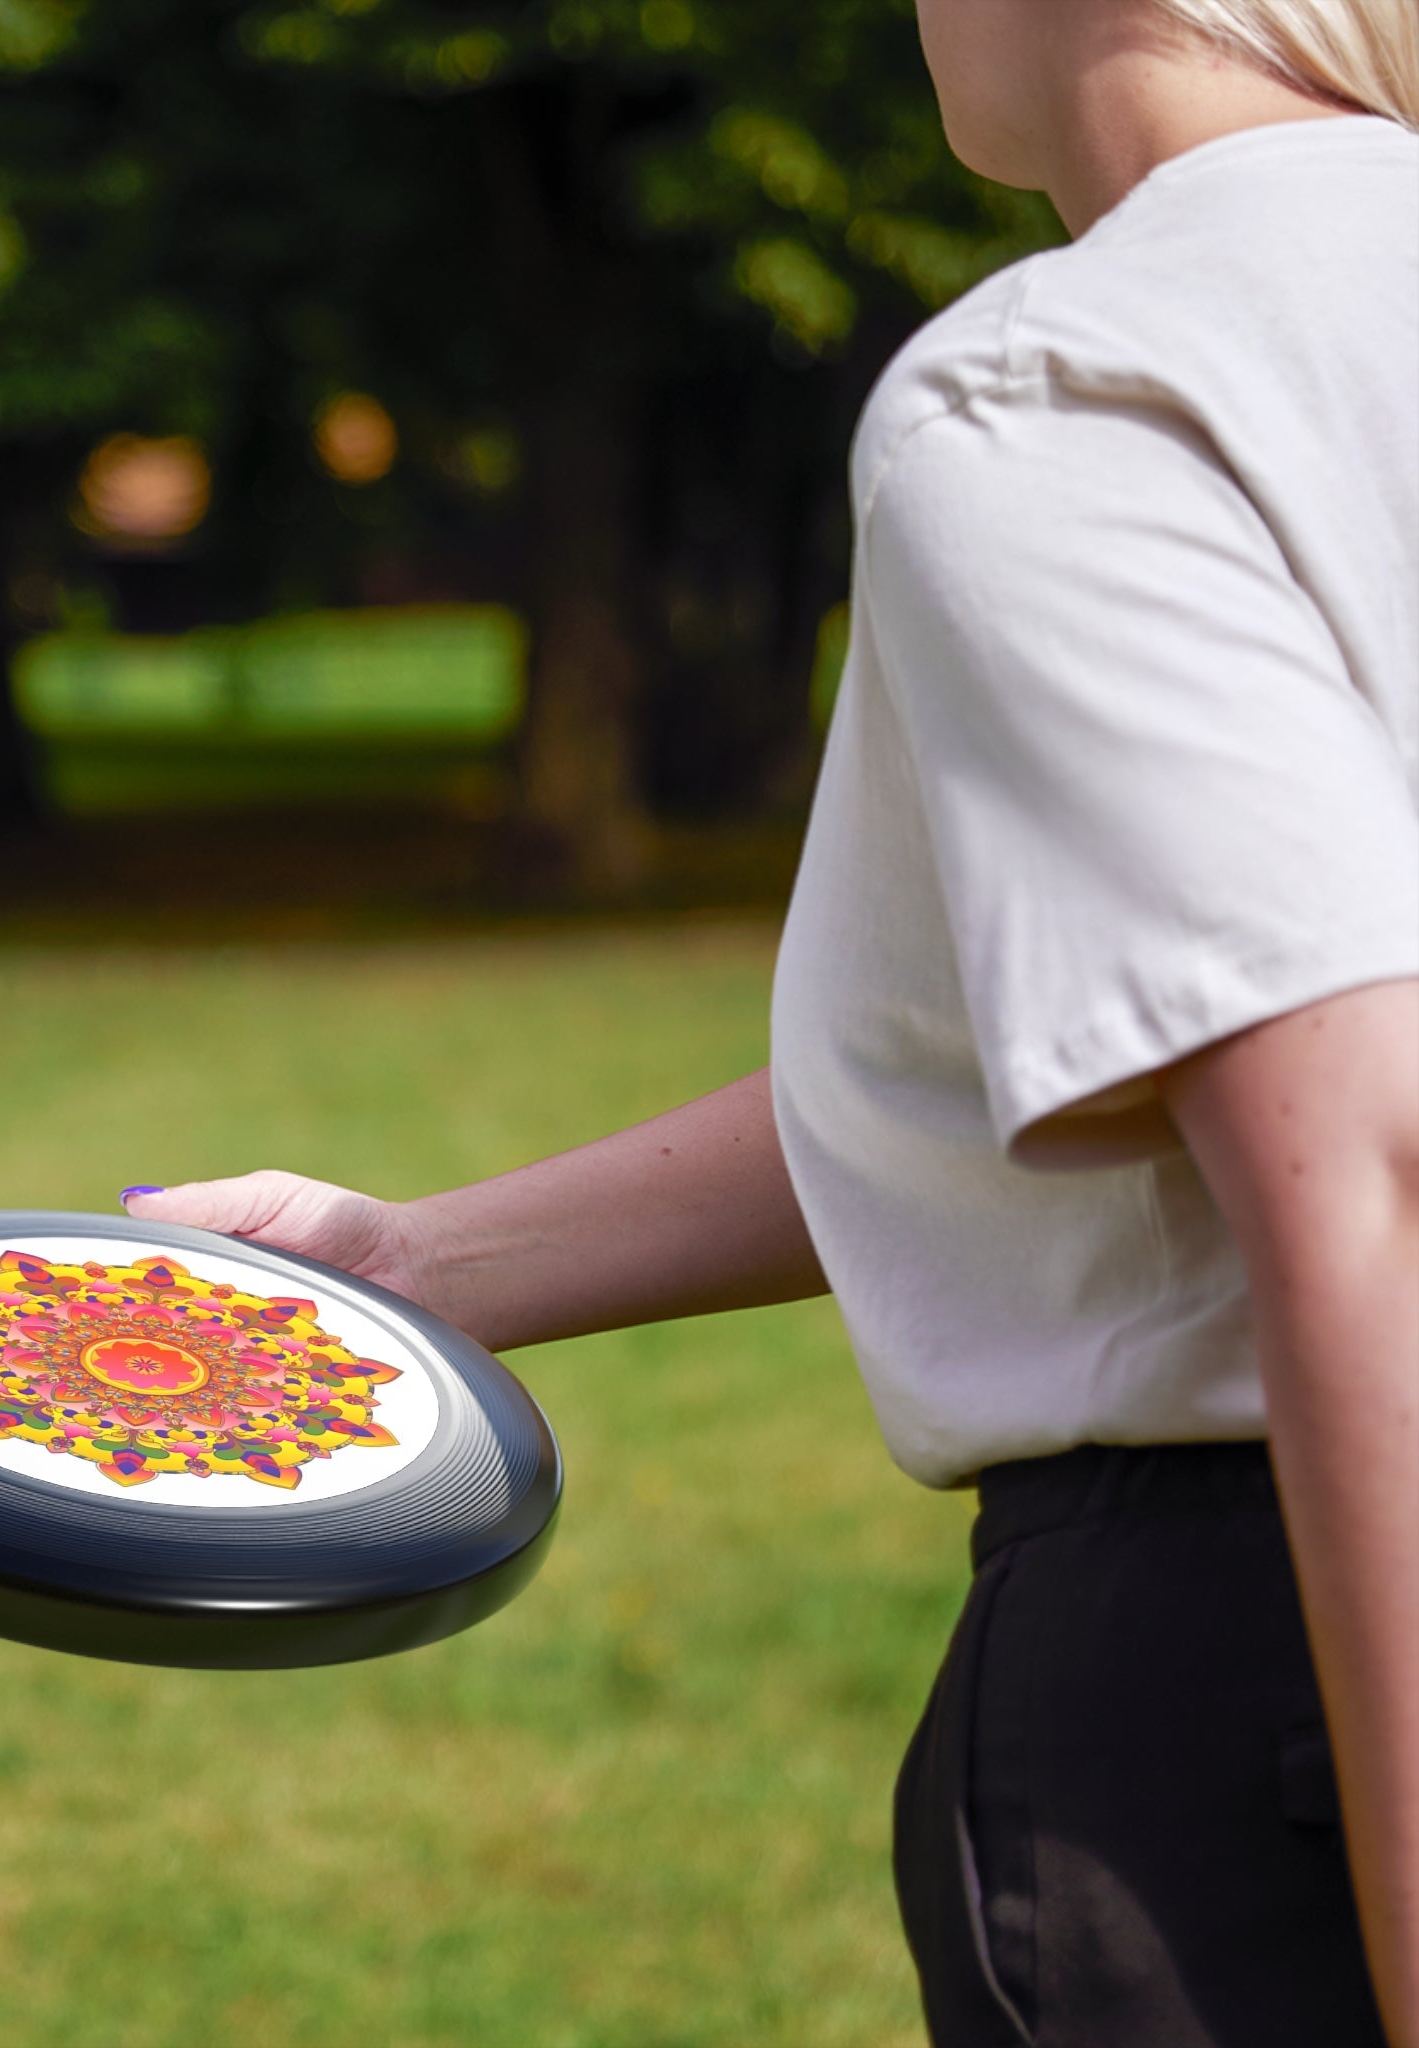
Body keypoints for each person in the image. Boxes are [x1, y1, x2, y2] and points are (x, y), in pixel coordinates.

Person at [118, 2, 1419, 2041]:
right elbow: (1097, 1048)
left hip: (1272, 1689)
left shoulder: (1076, 383)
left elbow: (1369, 1166)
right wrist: (418, 1263)